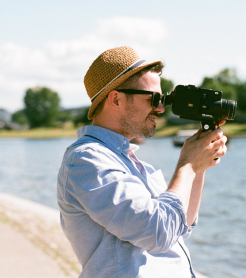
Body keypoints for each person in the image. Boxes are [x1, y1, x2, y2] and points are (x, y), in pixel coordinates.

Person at [57, 46, 227, 278]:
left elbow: (180, 226)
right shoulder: (87, 160)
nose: (160, 108)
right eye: (154, 99)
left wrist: (199, 164)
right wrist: (187, 166)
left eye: (162, 99)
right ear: (116, 99)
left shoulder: (126, 161)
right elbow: (159, 233)